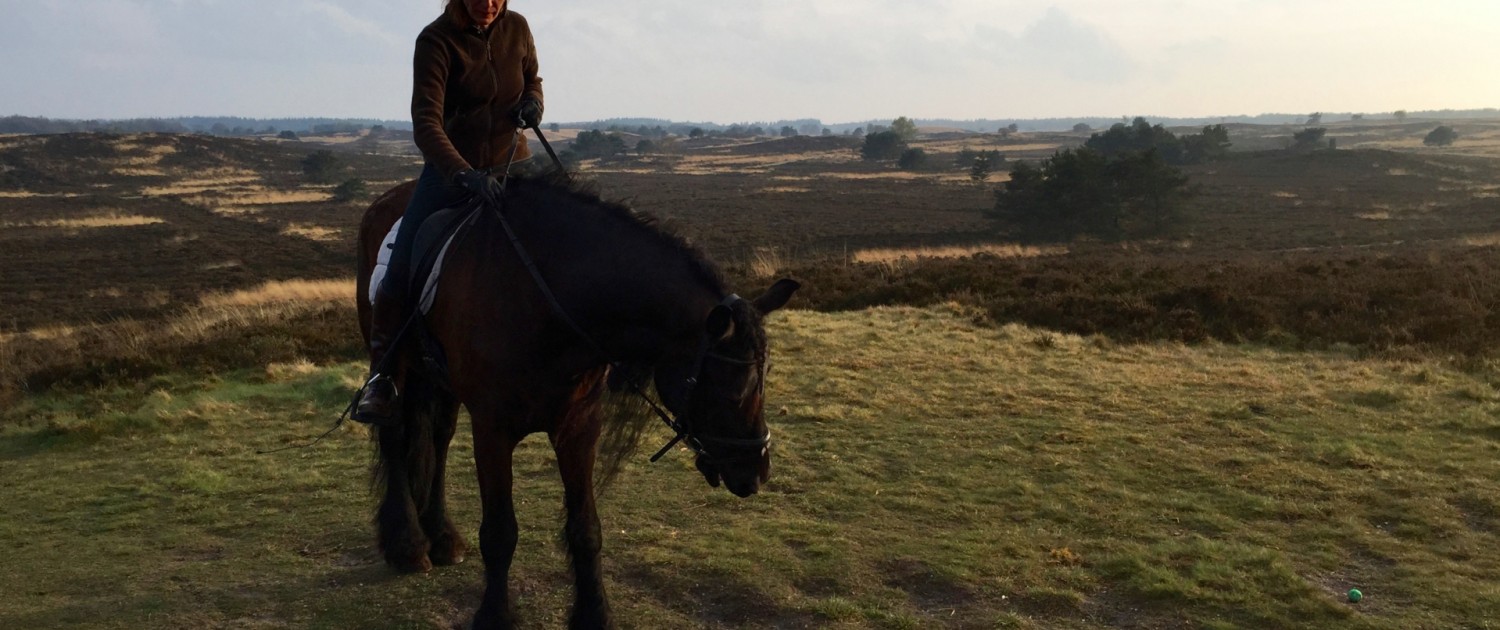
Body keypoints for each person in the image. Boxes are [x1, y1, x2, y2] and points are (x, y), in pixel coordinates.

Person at [353, 0, 544, 424]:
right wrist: (462, 173)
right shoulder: (436, 40)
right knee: (399, 268)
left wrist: (533, 103)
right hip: (449, 176)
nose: (487, 4)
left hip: (512, 168)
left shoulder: (518, 27)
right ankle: (383, 377)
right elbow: (426, 124)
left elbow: (533, 79)